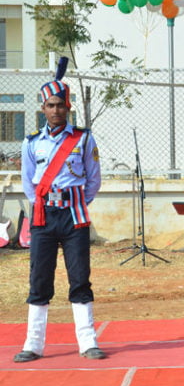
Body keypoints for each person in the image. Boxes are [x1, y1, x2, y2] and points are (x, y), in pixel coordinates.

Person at [14, 63, 105, 362]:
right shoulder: (31, 142)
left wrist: (76, 200)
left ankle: (87, 342)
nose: (56, 110)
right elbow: (29, 181)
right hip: (43, 217)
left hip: (74, 215)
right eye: (51, 105)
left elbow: (93, 178)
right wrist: (45, 201)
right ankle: (34, 344)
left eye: (61, 105)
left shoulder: (82, 139)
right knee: (39, 279)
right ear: (43, 107)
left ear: (68, 107)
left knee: (79, 277)